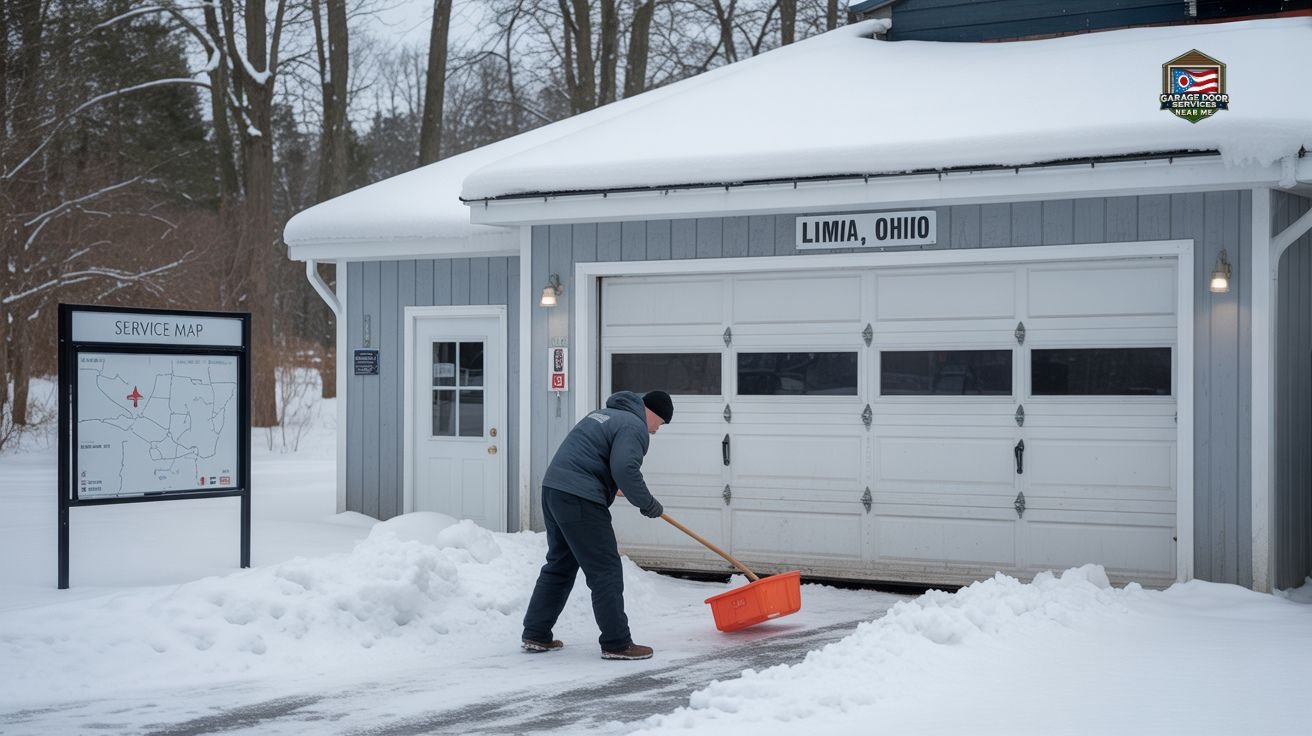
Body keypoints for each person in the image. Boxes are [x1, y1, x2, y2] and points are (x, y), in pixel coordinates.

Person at [521, 389, 674, 660]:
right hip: (580, 497)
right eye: (659, 424)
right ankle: (617, 643)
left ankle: (536, 633)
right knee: (606, 570)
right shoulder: (634, 425)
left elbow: (598, 459)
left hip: (554, 490)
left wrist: (610, 484)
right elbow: (626, 468)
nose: (655, 431)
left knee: (560, 564)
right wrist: (648, 504)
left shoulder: (604, 415)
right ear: (653, 413)